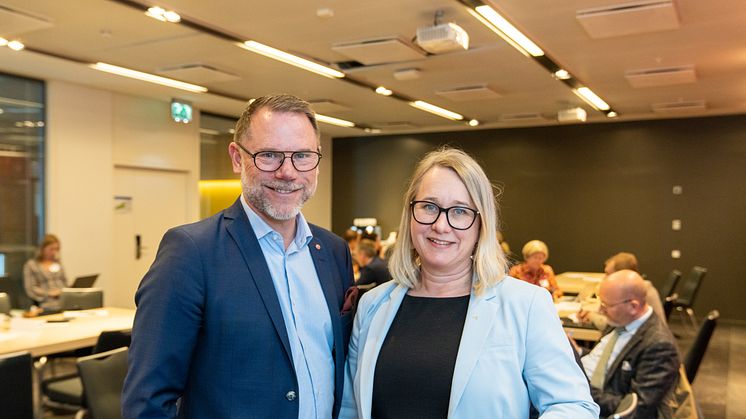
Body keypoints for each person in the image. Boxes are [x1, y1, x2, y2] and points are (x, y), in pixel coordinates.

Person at [122, 95, 355, 419]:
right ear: (237, 157)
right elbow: (147, 402)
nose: (288, 172)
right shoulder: (191, 252)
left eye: (302, 156)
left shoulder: (332, 251)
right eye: (269, 155)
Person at [340, 147, 598, 418]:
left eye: (460, 211)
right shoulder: (373, 305)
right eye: (429, 207)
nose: (441, 225)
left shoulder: (525, 304)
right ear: (410, 214)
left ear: (481, 225)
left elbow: (573, 406)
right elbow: (350, 409)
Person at [581, 270, 679, 418]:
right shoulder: (620, 319)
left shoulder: (659, 346)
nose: (601, 310)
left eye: (606, 305)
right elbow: (604, 358)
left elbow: (637, 409)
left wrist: (583, 390)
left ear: (633, 306)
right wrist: (578, 352)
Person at [578, 252, 666, 329]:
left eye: (608, 274)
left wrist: (591, 316)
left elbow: (613, 324)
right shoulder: (636, 288)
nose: (604, 278)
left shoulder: (637, 293)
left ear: (622, 275)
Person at [23, 234, 67, 311]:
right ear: (42, 249)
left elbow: (64, 281)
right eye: (51, 249)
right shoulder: (32, 265)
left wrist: (64, 291)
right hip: (45, 304)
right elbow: (31, 289)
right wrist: (49, 293)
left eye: (57, 249)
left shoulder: (57, 263)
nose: (54, 252)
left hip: (64, 301)